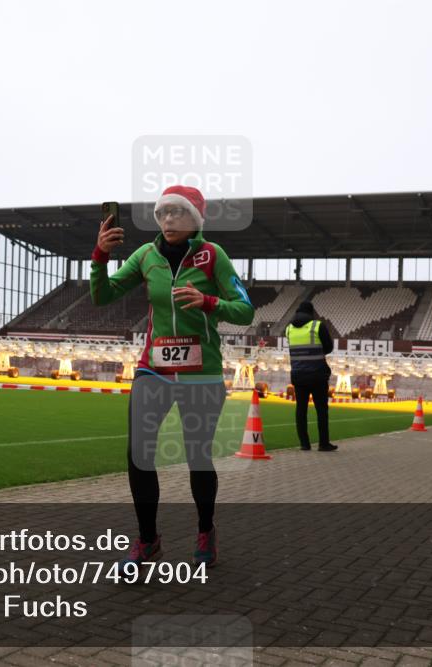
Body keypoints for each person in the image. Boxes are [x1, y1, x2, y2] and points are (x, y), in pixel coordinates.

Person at [90, 184, 254, 570]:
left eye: (177, 213)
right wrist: (100, 255)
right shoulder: (146, 256)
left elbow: (245, 310)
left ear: (195, 219)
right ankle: (148, 540)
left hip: (202, 372)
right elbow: (102, 296)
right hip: (154, 370)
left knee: (198, 457)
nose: (167, 220)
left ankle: (205, 530)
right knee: (139, 455)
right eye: (162, 213)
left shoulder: (213, 256)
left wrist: (208, 302)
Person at [285, 301, 336, 451]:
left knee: (301, 409)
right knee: (321, 410)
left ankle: (304, 444)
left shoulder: (288, 329)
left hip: (298, 375)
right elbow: (329, 347)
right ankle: (323, 443)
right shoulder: (317, 326)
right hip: (317, 375)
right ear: (311, 313)